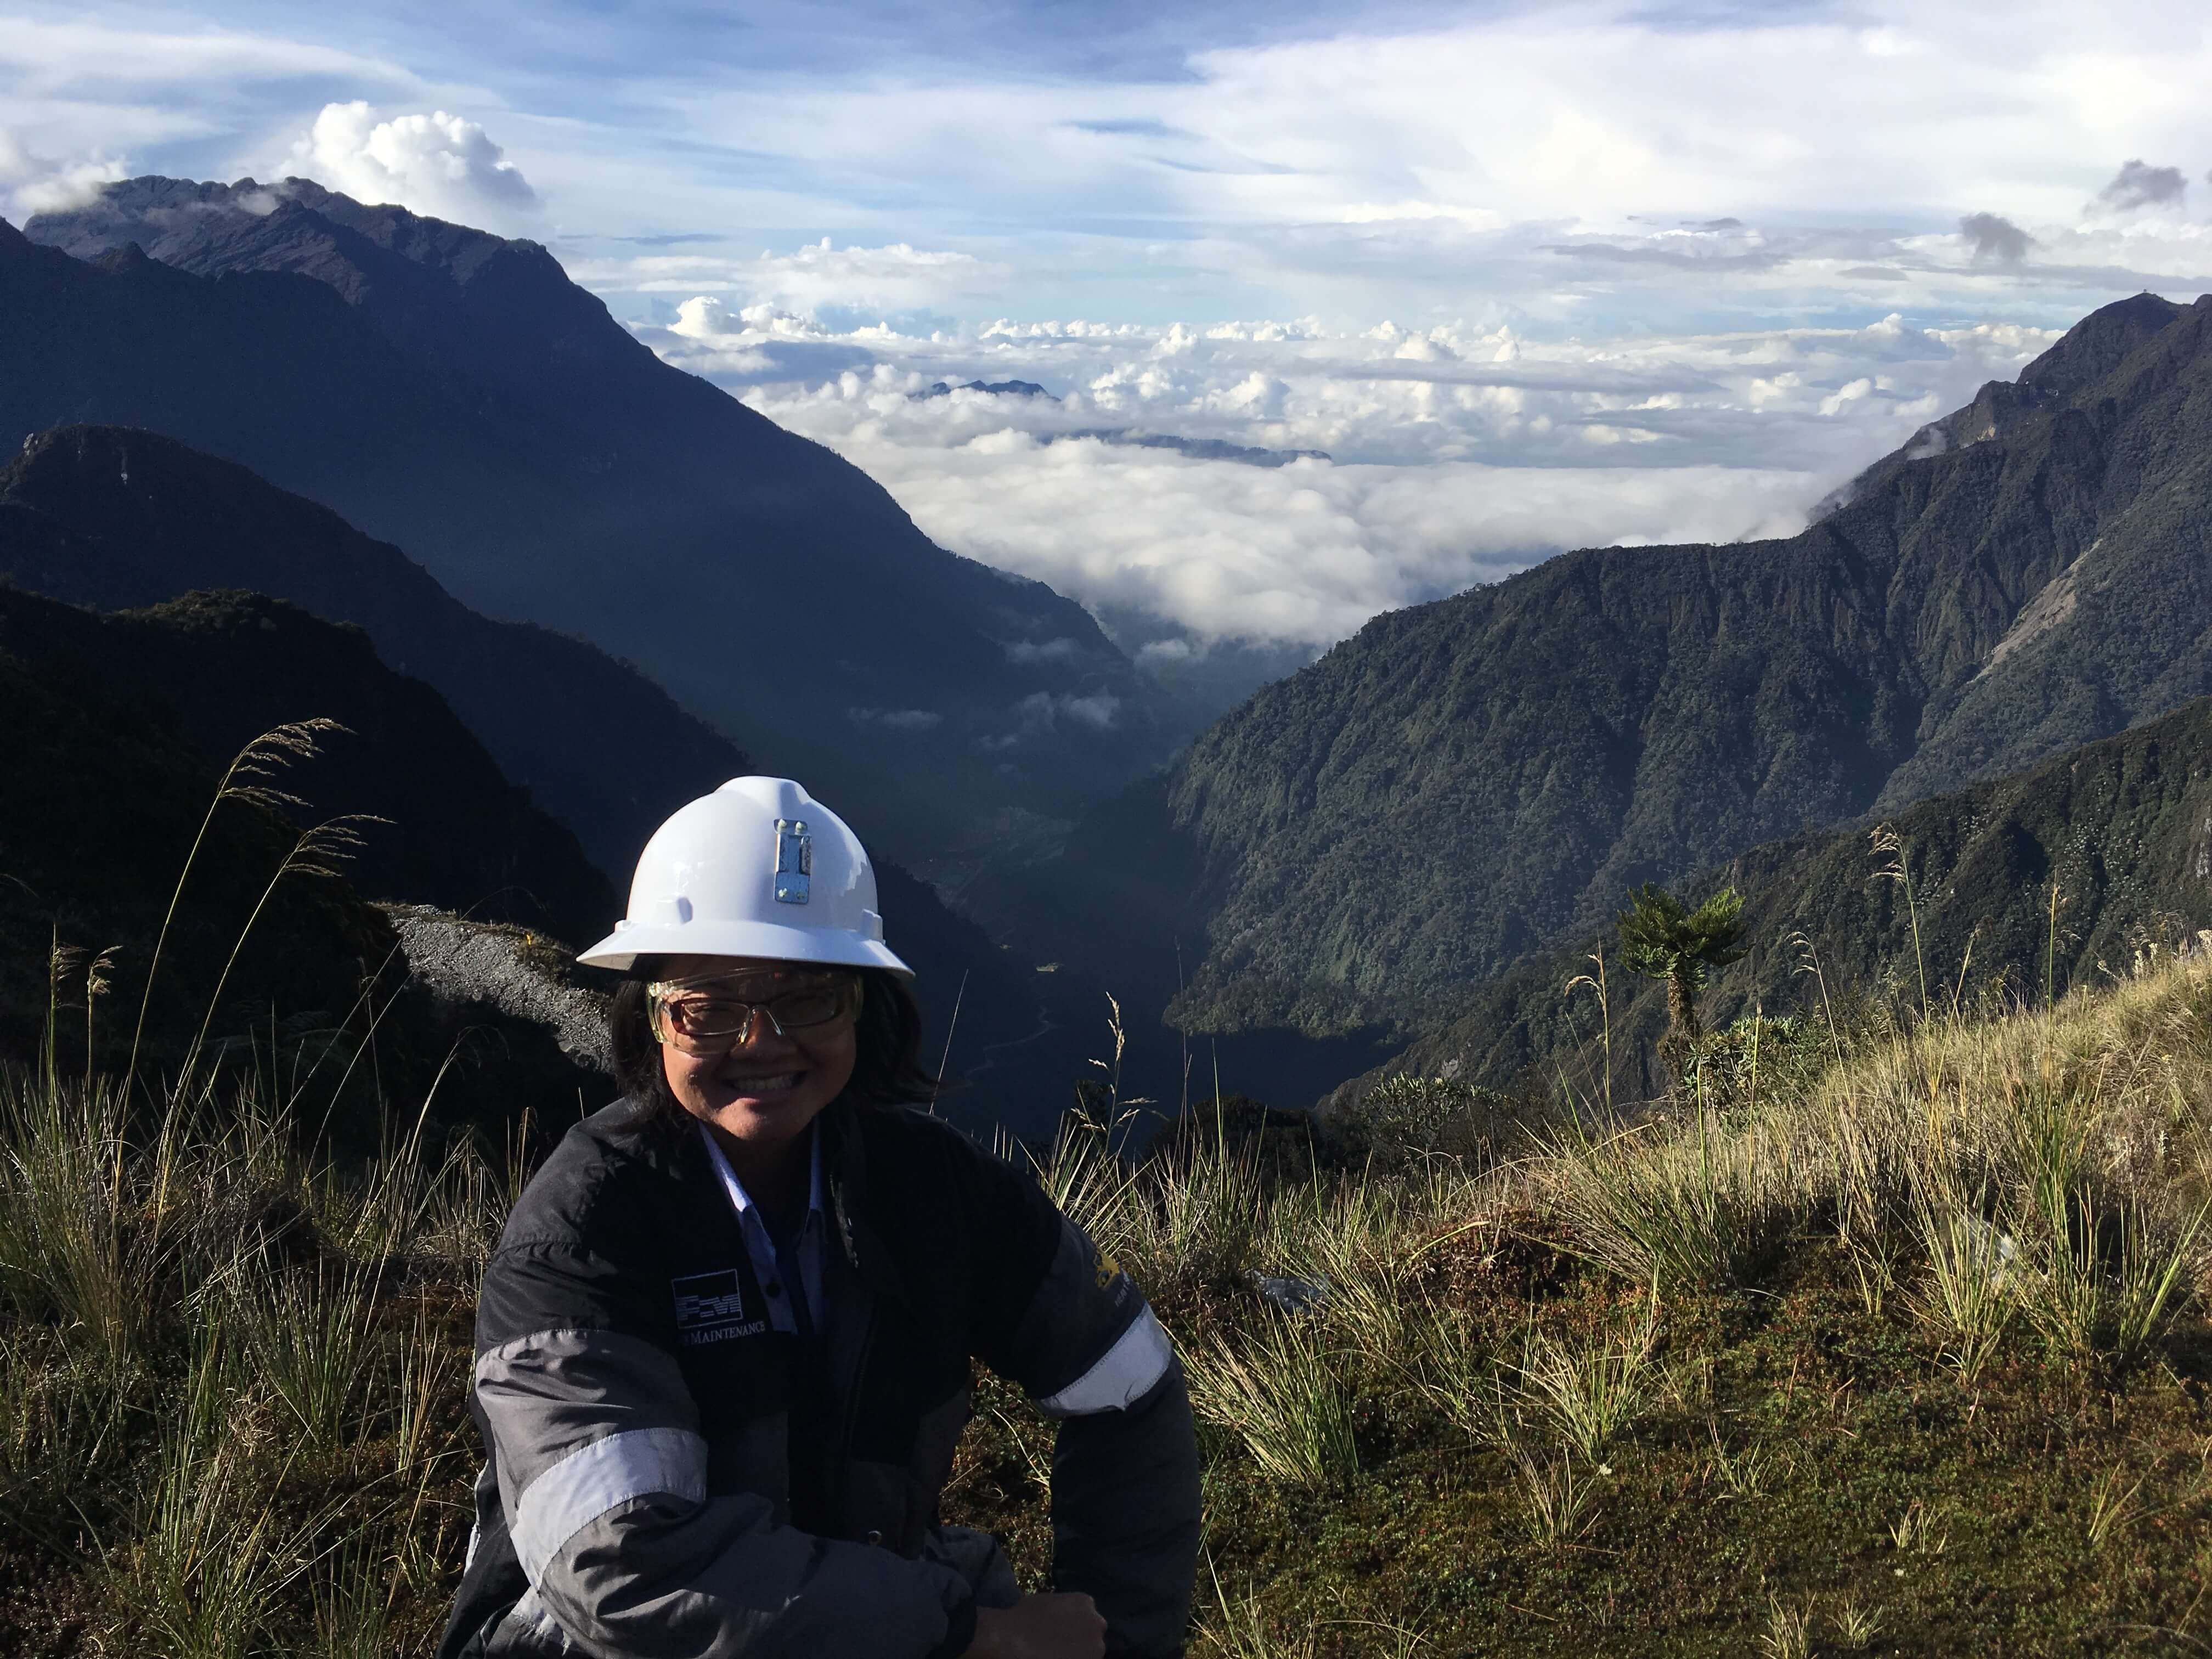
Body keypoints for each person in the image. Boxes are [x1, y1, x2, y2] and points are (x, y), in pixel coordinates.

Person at [438, 776, 1201, 1659]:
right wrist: (969, 1632)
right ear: (650, 1021)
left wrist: (1120, 1638)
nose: (761, 1042)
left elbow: (1132, 1387)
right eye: (709, 1008)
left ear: (861, 1009)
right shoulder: (581, 1235)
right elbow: (624, 1570)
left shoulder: (940, 1192)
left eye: (807, 1000)